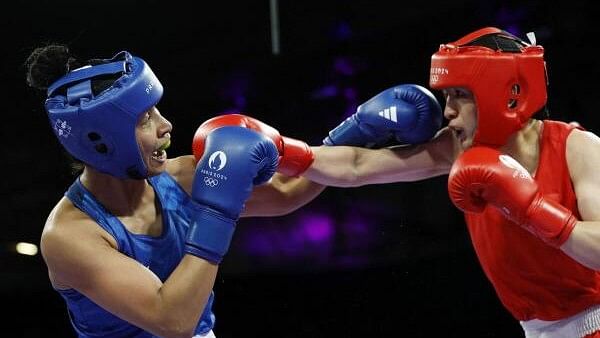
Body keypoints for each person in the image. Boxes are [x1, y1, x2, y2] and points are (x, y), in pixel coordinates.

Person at [300, 27, 600, 337]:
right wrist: (283, 152)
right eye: (446, 96)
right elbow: (357, 166)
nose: (447, 112)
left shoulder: (577, 148)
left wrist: (534, 209)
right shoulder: (457, 149)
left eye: (459, 95)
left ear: (503, 92)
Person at [26, 44, 323, 338]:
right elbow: (173, 321)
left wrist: (359, 130)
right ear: (102, 140)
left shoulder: (179, 177)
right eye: (145, 118)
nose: (165, 125)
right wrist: (218, 211)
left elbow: (287, 190)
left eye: (156, 111)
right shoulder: (69, 236)